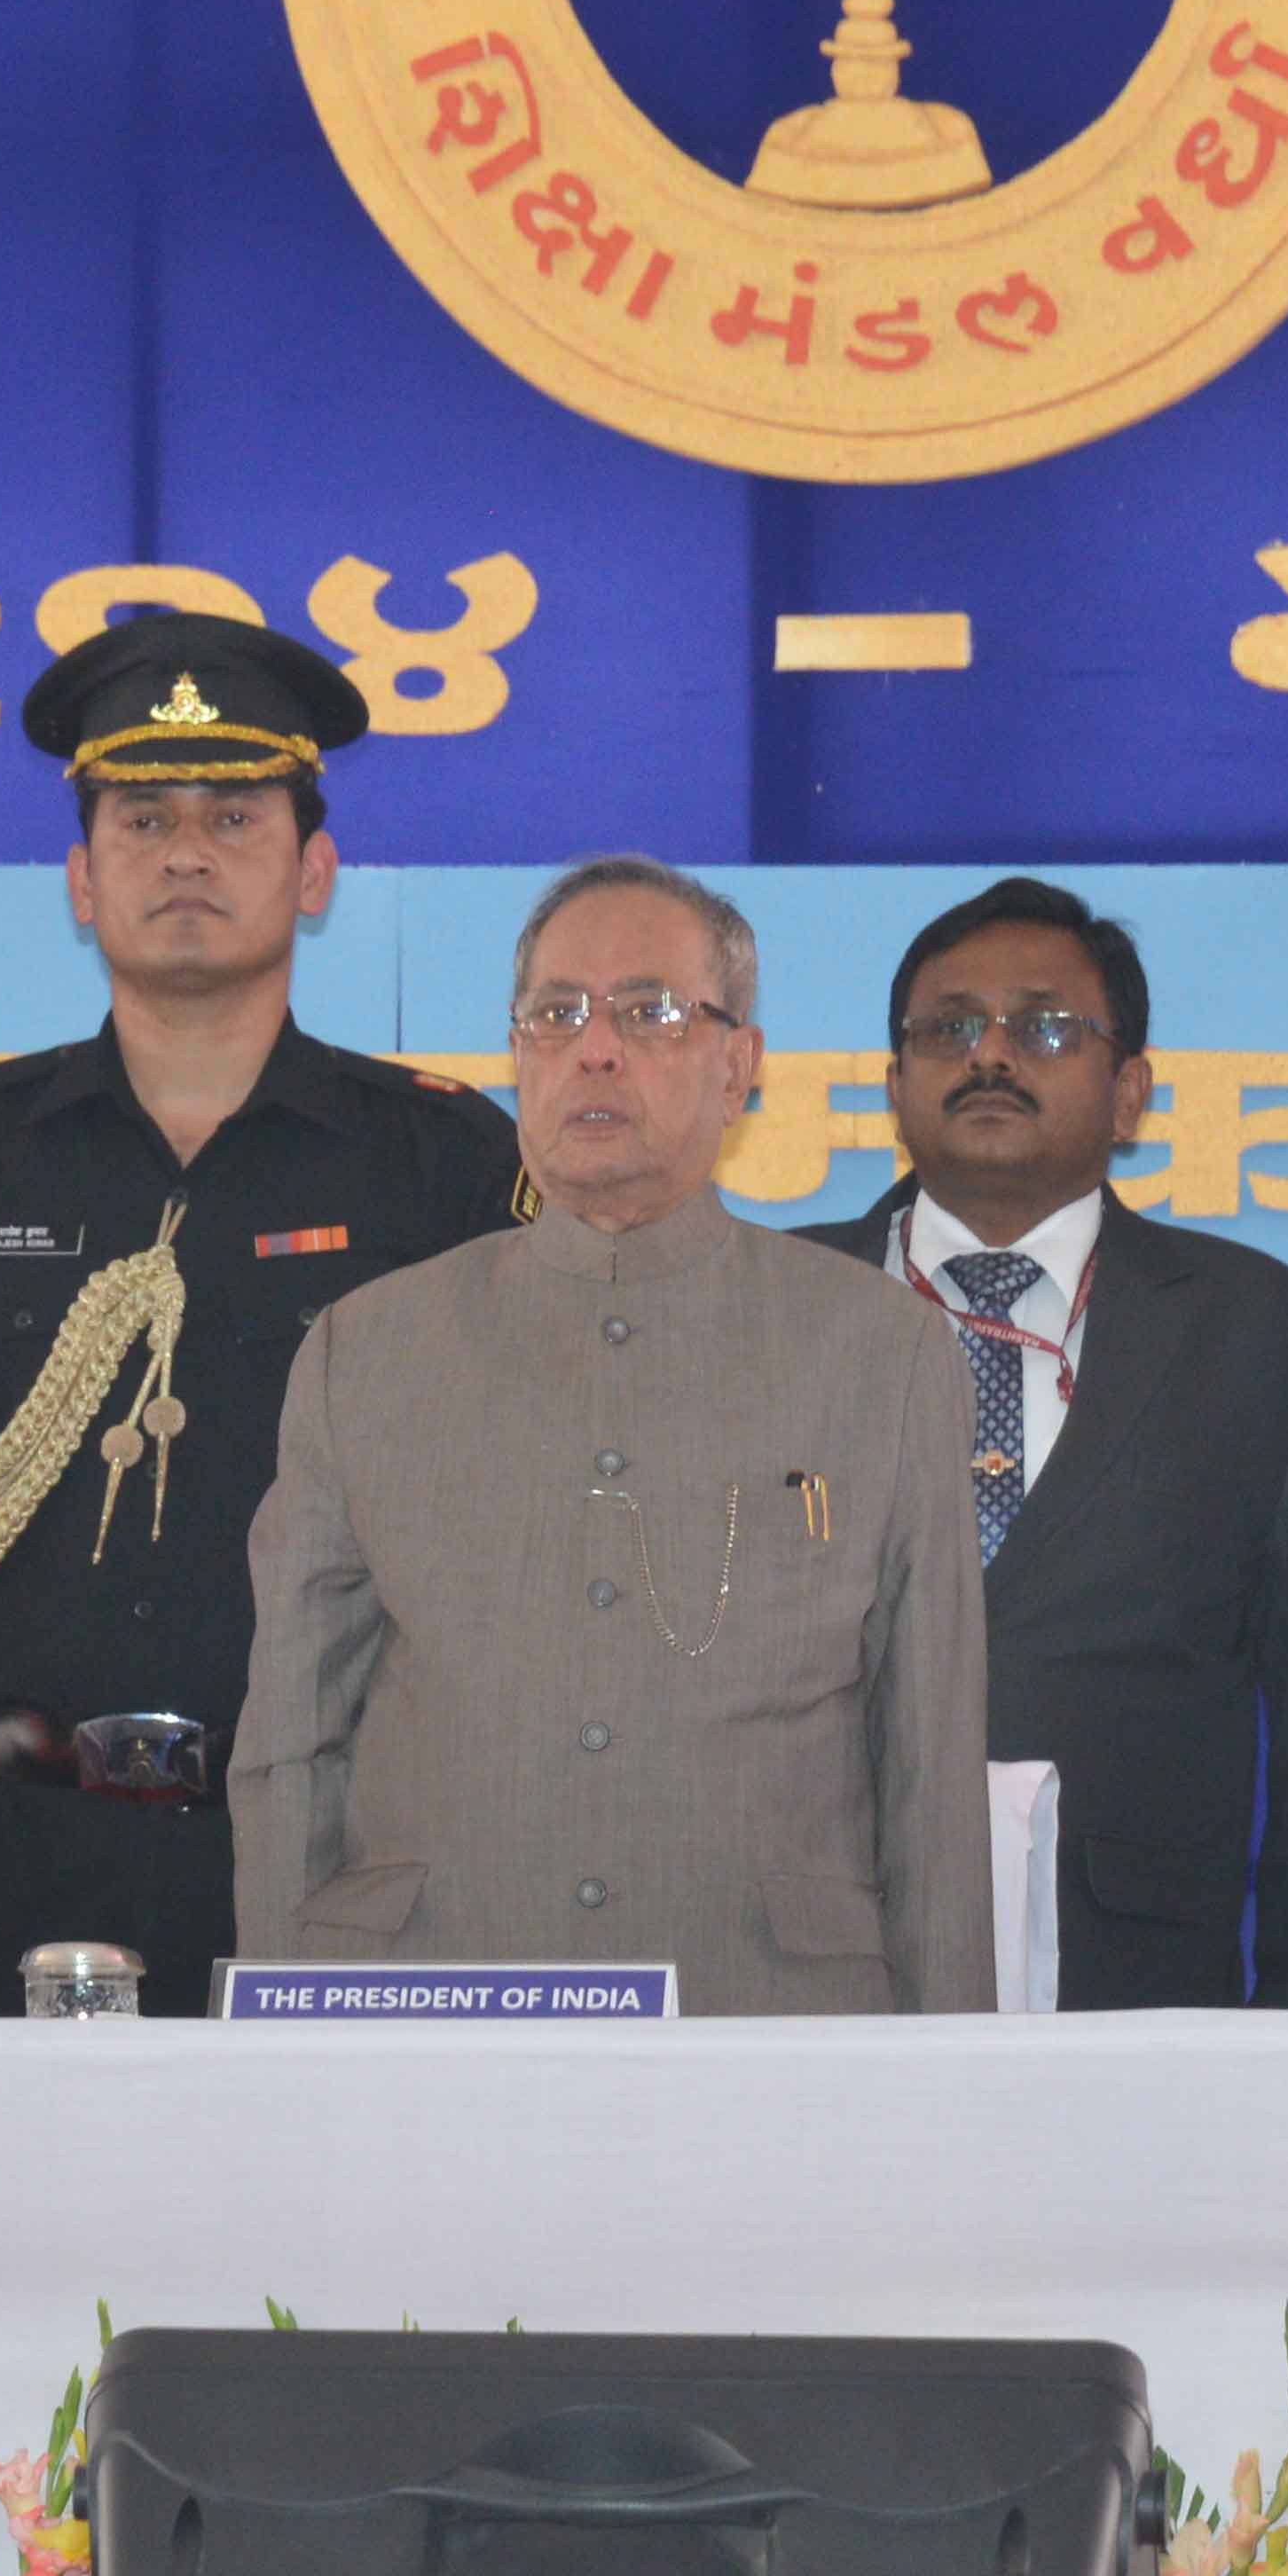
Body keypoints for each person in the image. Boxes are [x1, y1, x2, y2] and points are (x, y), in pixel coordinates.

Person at [0, 611, 523, 2017]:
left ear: (314, 872)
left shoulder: (443, 1165)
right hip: (9, 1854)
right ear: (81, 878)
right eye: (142, 819)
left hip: (344, 1861)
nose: (186, 852)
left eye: (235, 816)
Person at [236, 857, 993, 2014]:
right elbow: (292, 1749)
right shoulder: (368, 1347)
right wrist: (283, 2042)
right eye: (557, 1014)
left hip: (769, 2014)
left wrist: (951, 2094)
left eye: (651, 1013)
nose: (596, 1049)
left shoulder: (879, 1352)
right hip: (434, 2007)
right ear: (519, 1055)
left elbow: (931, 1770)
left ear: (739, 1064)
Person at [789, 877, 1288, 2009]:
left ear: (1130, 1094)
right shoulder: (764, 1308)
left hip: (1135, 1990)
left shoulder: (1266, 1335)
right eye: (950, 1027)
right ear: (893, 1085)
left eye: (1046, 1027)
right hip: (805, 1971)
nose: (991, 1055)